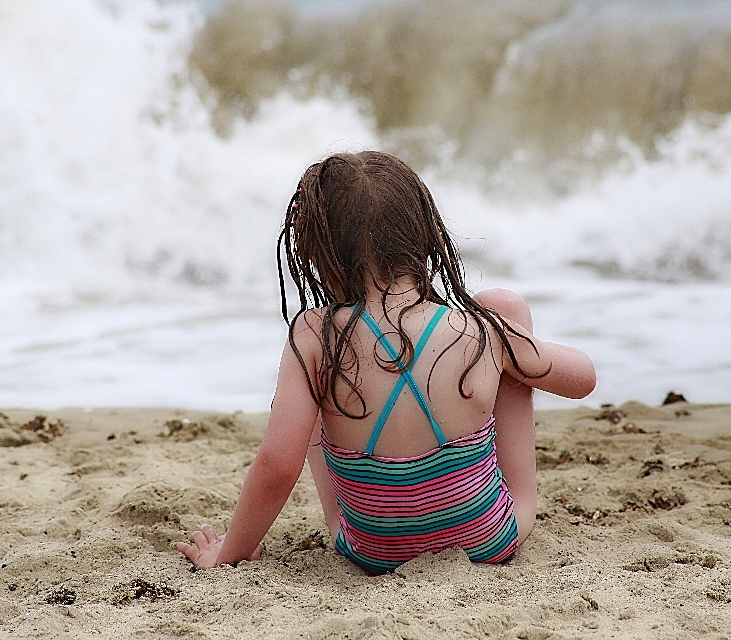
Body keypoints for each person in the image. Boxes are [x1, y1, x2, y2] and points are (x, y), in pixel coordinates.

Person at [176, 151, 595, 573]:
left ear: (320, 254)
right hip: (491, 539)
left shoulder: (314, 334)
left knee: (317, 372)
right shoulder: (480, 330)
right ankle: (518, 500)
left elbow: (278, 465)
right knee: (504, 308)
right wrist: (512, 344)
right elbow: (583, 379)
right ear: (425, 236)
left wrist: (228, 552)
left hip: (370, 553)